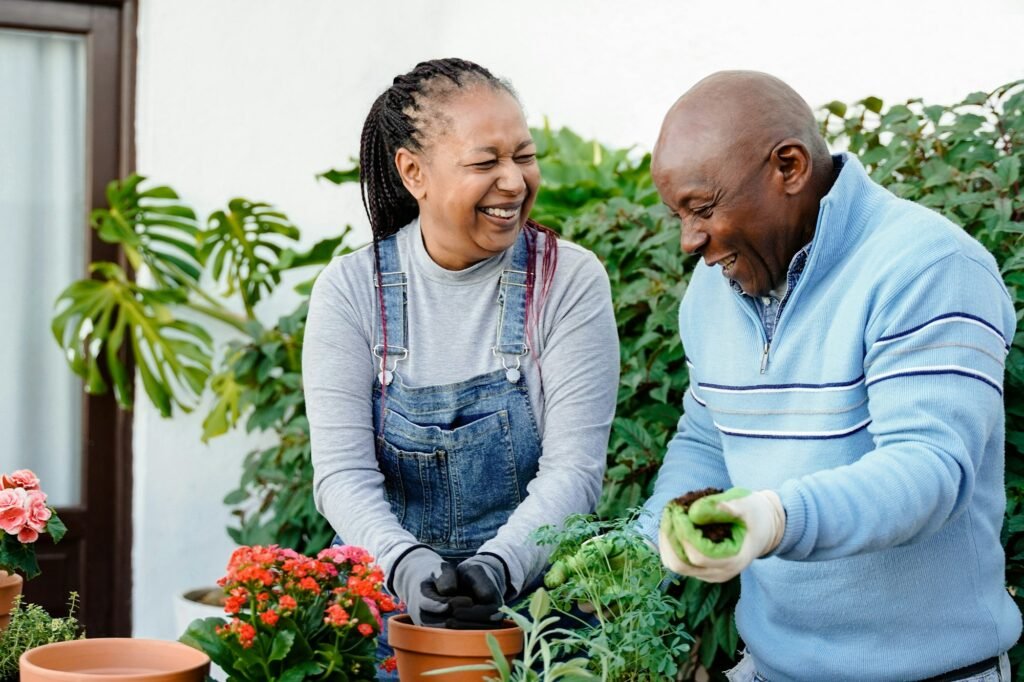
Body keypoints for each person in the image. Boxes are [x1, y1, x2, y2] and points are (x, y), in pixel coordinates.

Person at [562, 70, 1021, 681]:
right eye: (678, 214)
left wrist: (774, 519)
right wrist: (645, 546)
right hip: (770, 668)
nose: (688, 240)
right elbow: (707, 441)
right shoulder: (712, 291)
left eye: (702, 208)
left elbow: (928, 470)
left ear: (789, 167)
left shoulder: (928, 267)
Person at [302, 58, 619, 678]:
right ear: (413, 172)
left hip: (539, 615)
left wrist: (496, 568)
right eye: (485, 162)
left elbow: (575, 470)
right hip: (390, 609)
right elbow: (341, 474)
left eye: (523, 156)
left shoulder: (567, 281)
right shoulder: (350, 291)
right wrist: (406, 564)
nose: (514, 181)